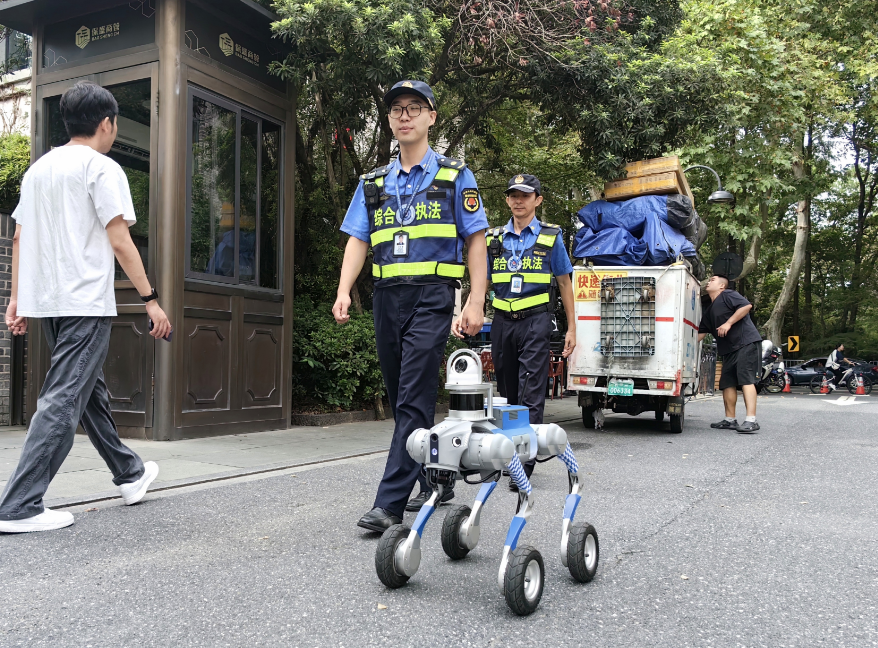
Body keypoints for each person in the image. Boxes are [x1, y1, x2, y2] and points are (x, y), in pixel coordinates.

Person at [0, 82, 171, 533]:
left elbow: (19, 237)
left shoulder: (38, 170)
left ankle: (130, 474)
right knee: (63, 396)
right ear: (107, 123)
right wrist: (151, 301)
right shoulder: (102, 167)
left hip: (49, 304)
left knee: (86, 391)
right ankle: (20, 505)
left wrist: (17, 299)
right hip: (85, 302)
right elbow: (120, 240)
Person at [332, 80, 488, 532]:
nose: (404, 116)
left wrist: (475, 301)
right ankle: (435, 474)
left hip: (433, 296)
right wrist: (344, 291)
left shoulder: (455, 176)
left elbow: (475, 240)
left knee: (414, 393)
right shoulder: (373, 183)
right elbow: (358, 240)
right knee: (405, 400)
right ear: (389, 120)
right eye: (397, 109)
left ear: (431, 117)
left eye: (414, 108)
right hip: (386, 298)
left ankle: (390, 504)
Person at [453, 174, 576, 489]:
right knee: (506, 390)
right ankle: (506, 451)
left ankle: (525, 461)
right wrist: (468, 308)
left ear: (538, 200)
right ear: (507, 200)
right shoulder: (493, 239)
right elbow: (481, 280)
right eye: (513, 195)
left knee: (531, 389)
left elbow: (564, 283)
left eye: (525, 195)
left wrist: (572, 327)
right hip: (503, 322)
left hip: (536, 321)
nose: (518, 201)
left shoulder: (551, 237)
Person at [697, 275, 762, 433]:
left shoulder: (728, 295)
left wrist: (728, 323)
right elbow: (701, 334)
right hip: (729, 350)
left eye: (713, 279)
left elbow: (746, 306)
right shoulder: (709, 309)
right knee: (726, 383)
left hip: (745, 343)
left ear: (721, 286)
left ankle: (751, 420)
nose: (709, 281)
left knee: (746, 379)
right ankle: (730, 419)